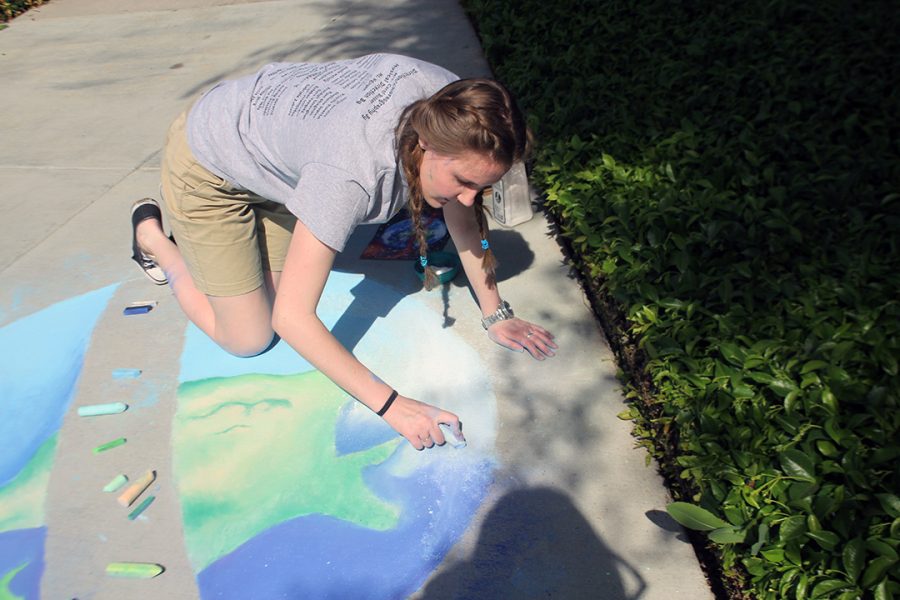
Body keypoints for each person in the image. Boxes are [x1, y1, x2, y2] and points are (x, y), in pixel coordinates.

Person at [130, 53, 557, 451]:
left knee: (275, 293)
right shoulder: (353, 176)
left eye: (481, 187)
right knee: (250, 337)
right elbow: (293, 319)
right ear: (427, 142)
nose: (469, 199)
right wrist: (393, 405)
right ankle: (154, 241)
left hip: (283, 167)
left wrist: (495, 313)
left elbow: (462, 216)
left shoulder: (459, 106)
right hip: (211, 164)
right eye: (462, 182)